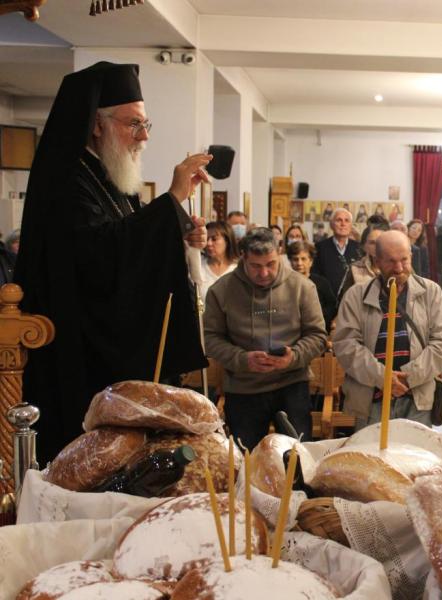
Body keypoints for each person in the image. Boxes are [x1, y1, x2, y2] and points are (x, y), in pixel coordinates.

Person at [15, 62, 210, 464]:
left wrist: (179, 234)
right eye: (133, 124)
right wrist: (171, 200)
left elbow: (129, 245)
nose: (144, 136)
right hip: (77, 350)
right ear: (96, 124)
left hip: (107, 348)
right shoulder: (67, 179)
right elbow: (97, 256)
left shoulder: (109, 177)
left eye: (145, 124)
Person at [204, 228, 326, 448]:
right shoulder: (221, 290)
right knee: (246, 459)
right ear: (243, 257)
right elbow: (210, 338)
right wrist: (243, 359)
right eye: (256, 266)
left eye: (271, 264)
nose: (264, 273)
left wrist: (293, 356)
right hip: (244, 388)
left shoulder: (302, 286)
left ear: (279, 254)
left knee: (297, 457)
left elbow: (317, 336)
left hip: (292, 384)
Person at [333, 231, 442, 429]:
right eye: (390, 261)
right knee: (372, 450)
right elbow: (346, 345)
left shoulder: (431, 293)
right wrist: (383, 378)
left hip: (418, 400)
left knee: (414, 449)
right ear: (377, 261)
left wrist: (409, 377)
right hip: (371, 402)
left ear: (411, 256)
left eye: (404, 260)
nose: (399, 268)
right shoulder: (355, 296)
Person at [311, 208, 361, 302]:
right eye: (339, 220)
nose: (343, 224)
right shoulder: (320, 248)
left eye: (347, 220)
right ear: (331, 225)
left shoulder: (359, 248)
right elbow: (315, 277)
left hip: (353, 301)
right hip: (326, 302)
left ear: (351, 225)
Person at [287, 240, 337, 331]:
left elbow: (332, 306)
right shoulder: (286, 283)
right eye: (295, 259)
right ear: (290, 261)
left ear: (311, 261)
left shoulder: (322, 282)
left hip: (318, 329)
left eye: (303, 259)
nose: (299, 263)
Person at [199, 221, 239, 299]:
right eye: (206, 239)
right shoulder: (199, 266)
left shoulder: (238, 269)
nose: (209, 243)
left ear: (227, 241)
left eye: (214, 239)